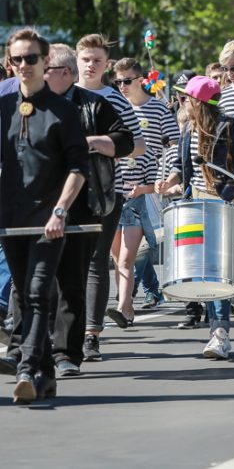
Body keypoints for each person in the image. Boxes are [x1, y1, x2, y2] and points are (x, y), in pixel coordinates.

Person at [1, 28, 89, 404]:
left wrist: (60, 210)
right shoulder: (2, 108)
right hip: (10, 218)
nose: (24, 66)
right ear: (9, 64)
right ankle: (47, 376)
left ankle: (27, 367)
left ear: (45, 62)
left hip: (49, 220)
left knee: (38, 293)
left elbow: (78, 167)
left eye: (31, 59)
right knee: (23, 291)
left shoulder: (64, 111)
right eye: (16, 60)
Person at [36, 45, 134, 377]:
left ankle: (68, 353)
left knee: (73, 280)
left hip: (83, 203)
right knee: (37, 281)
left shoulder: (94, 104)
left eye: (42, 67)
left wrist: (89, 142)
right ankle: (35, 348)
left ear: (64, 73)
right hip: (37, 206)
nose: (34, 72)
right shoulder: (28, 104)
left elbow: (126, 142)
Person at [157, 76, 234, 359]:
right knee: (202, 273)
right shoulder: (187, 130)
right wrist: (169, 185)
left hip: (222, 205)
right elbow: (184, 172)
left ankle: (220, 333)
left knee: (218, 272)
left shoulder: (228, 126)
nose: (182, 102)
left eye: (187, 98)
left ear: (199, 102)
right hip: (195, 206)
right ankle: (217, 332)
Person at [75, 33, 146, 362]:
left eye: (97, 60)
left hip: (106, 192)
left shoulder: (114, 99)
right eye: (86, 59)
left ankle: (91, 334)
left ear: (106, 65)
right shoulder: (61, 95)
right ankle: (63, 331)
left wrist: (106, 147)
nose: (90, 65)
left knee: (96, 261)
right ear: (76, 59)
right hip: (64, 193)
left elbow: (139, 145)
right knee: (63, 262)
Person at [105, 58, 174, 327]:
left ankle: (127, 304)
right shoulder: (112, 110)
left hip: (146, 193)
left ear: (141, 80)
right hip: (116, 192)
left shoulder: (157, 109)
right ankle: (129, 304)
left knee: (130, 256)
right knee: (119, 258)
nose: (122, 86)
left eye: (127, 81)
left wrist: (158, 181)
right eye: (117, 81)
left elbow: (173, 147)